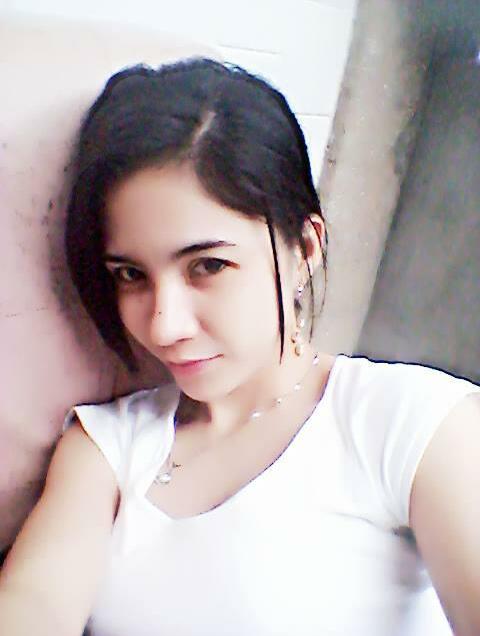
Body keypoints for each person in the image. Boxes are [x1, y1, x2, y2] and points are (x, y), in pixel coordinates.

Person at [0, 57, 479, 636]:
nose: (164, 326)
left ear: (305, 248)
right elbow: (35, 605)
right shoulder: (107, 446)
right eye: (131, 275)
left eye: (208, 265)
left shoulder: (413, 423)